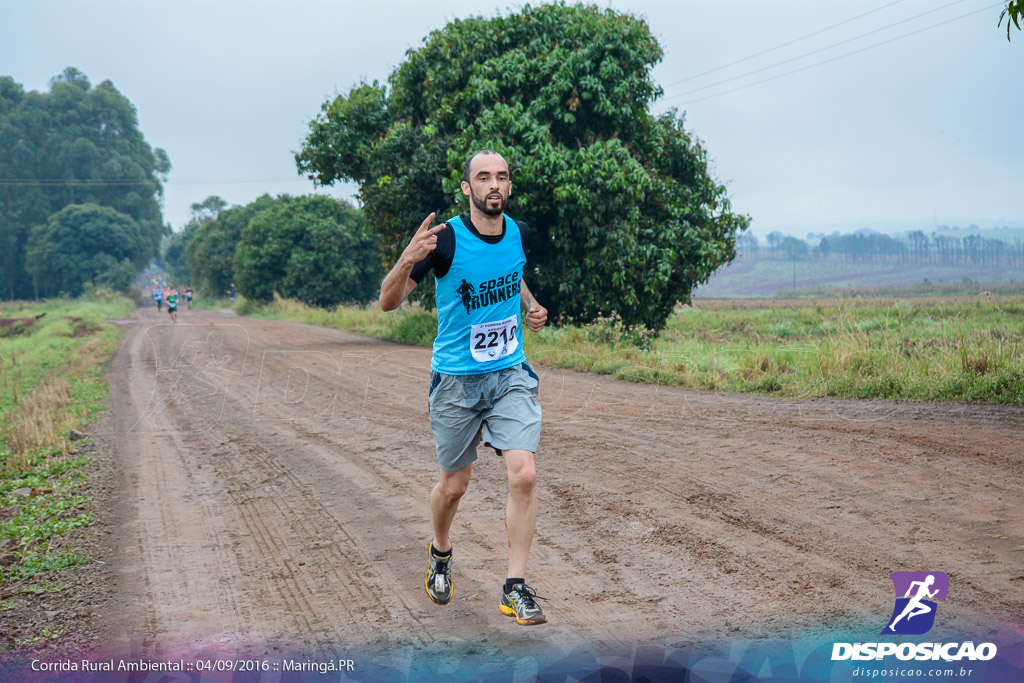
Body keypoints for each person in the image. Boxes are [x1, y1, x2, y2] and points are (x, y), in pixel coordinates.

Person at [379, 149, 549, 625]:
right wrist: (405, 260)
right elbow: (387, 303)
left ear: (509, 187)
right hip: (455, 382)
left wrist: (531, 307)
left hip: (509, 375)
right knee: (455, 486)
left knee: (524, 475)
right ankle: (440, 551)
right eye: (483, 177)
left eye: (501, 177)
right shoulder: (444, 240)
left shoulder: (518, 232)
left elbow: (511, 277)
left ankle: (515, 586)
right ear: (467, 188)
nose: (493, 184)